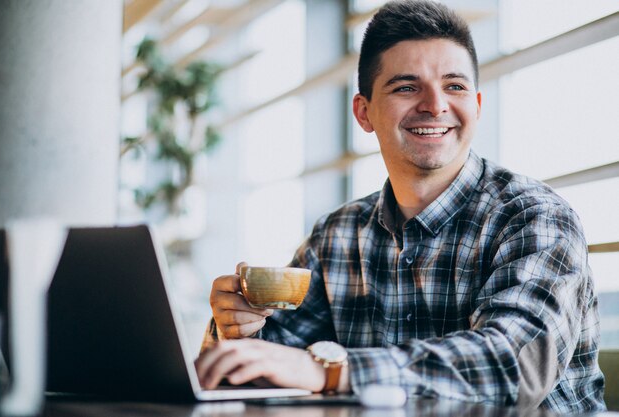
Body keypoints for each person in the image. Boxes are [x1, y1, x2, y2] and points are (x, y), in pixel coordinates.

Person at [194, 0, 606, 413]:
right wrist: (239, 331)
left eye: (455, 86)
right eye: (407, 86)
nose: (435, 104)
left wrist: (331, 371)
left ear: (477, 106)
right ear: (364, 111)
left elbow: (510, 366)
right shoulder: (337, 236)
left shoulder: (534, 218)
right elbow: (275, 366)